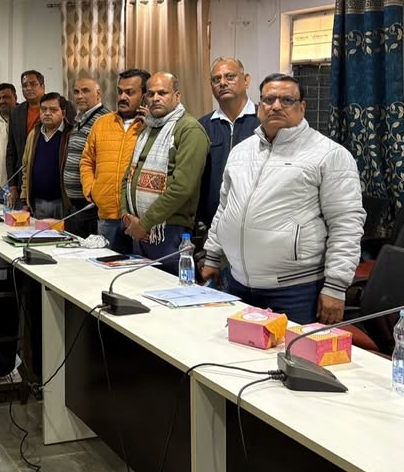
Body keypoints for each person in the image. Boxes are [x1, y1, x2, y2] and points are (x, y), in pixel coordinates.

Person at [201, 74, 365, 325]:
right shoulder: (241, 152)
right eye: (269, 99)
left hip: (296, 291)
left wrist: (336, 286)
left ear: (302, 107)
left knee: (291, 352)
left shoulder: (330, 154)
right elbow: (225, 209)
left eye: (286, 100)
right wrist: (213, 255)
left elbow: (346, 224)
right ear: (259, 106)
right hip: (237, 283)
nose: (276, 106)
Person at [119, 73, 209, 273]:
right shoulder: (148, 128)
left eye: (162, 93)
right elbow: (128, 177)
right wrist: (126, 216)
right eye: (151, 94)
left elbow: (182, 187)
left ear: (177, 96)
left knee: (167, 288)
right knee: (140, 286)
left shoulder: (189, 129)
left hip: (169, 231)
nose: (155, 98)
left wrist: (145, 223)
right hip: (137, 229)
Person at [80, 68, 151, 254]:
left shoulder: (152, 126)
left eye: (130, 92)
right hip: (107, 216)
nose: (122, 97)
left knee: (141, 269)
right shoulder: (102, 123)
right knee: (104, 265)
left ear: (144, 96)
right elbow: (87, 160)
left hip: (140, 219)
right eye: (120, 91)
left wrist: (151, 125)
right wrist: (91, 189)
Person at [197, 57, 260, 228]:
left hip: (254, 224)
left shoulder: (264, 122)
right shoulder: (202, 126)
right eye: (216, 79)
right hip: (212, 225)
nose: (223, 83)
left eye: (230, 76)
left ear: (246, 80)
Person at [64, 77, 111, 238]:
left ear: (98, 94)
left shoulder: (105, 120)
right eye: (76, 92)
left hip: (91, 207)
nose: (79, 96)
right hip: (74, 205)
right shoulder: (80, 119)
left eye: (85, 91)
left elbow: (105, 162)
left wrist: (93, 193)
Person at [20, 93, 73, 219]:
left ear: (63, 113)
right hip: (38, 203)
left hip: (64, 203)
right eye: (43, 109)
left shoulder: (71, 134)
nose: (47, 113)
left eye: (53, 110)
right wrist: (24, 198)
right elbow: (25, 168)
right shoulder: (34, 134)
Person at [6, 70, 45, 204]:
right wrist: (12, 185)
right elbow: (11, 151)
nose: (28, 88)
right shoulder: (16, 112)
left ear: (42, 86)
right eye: (25, 85)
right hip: (22, 179)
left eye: (33, 84)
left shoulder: (58, 106)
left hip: (49, 177)